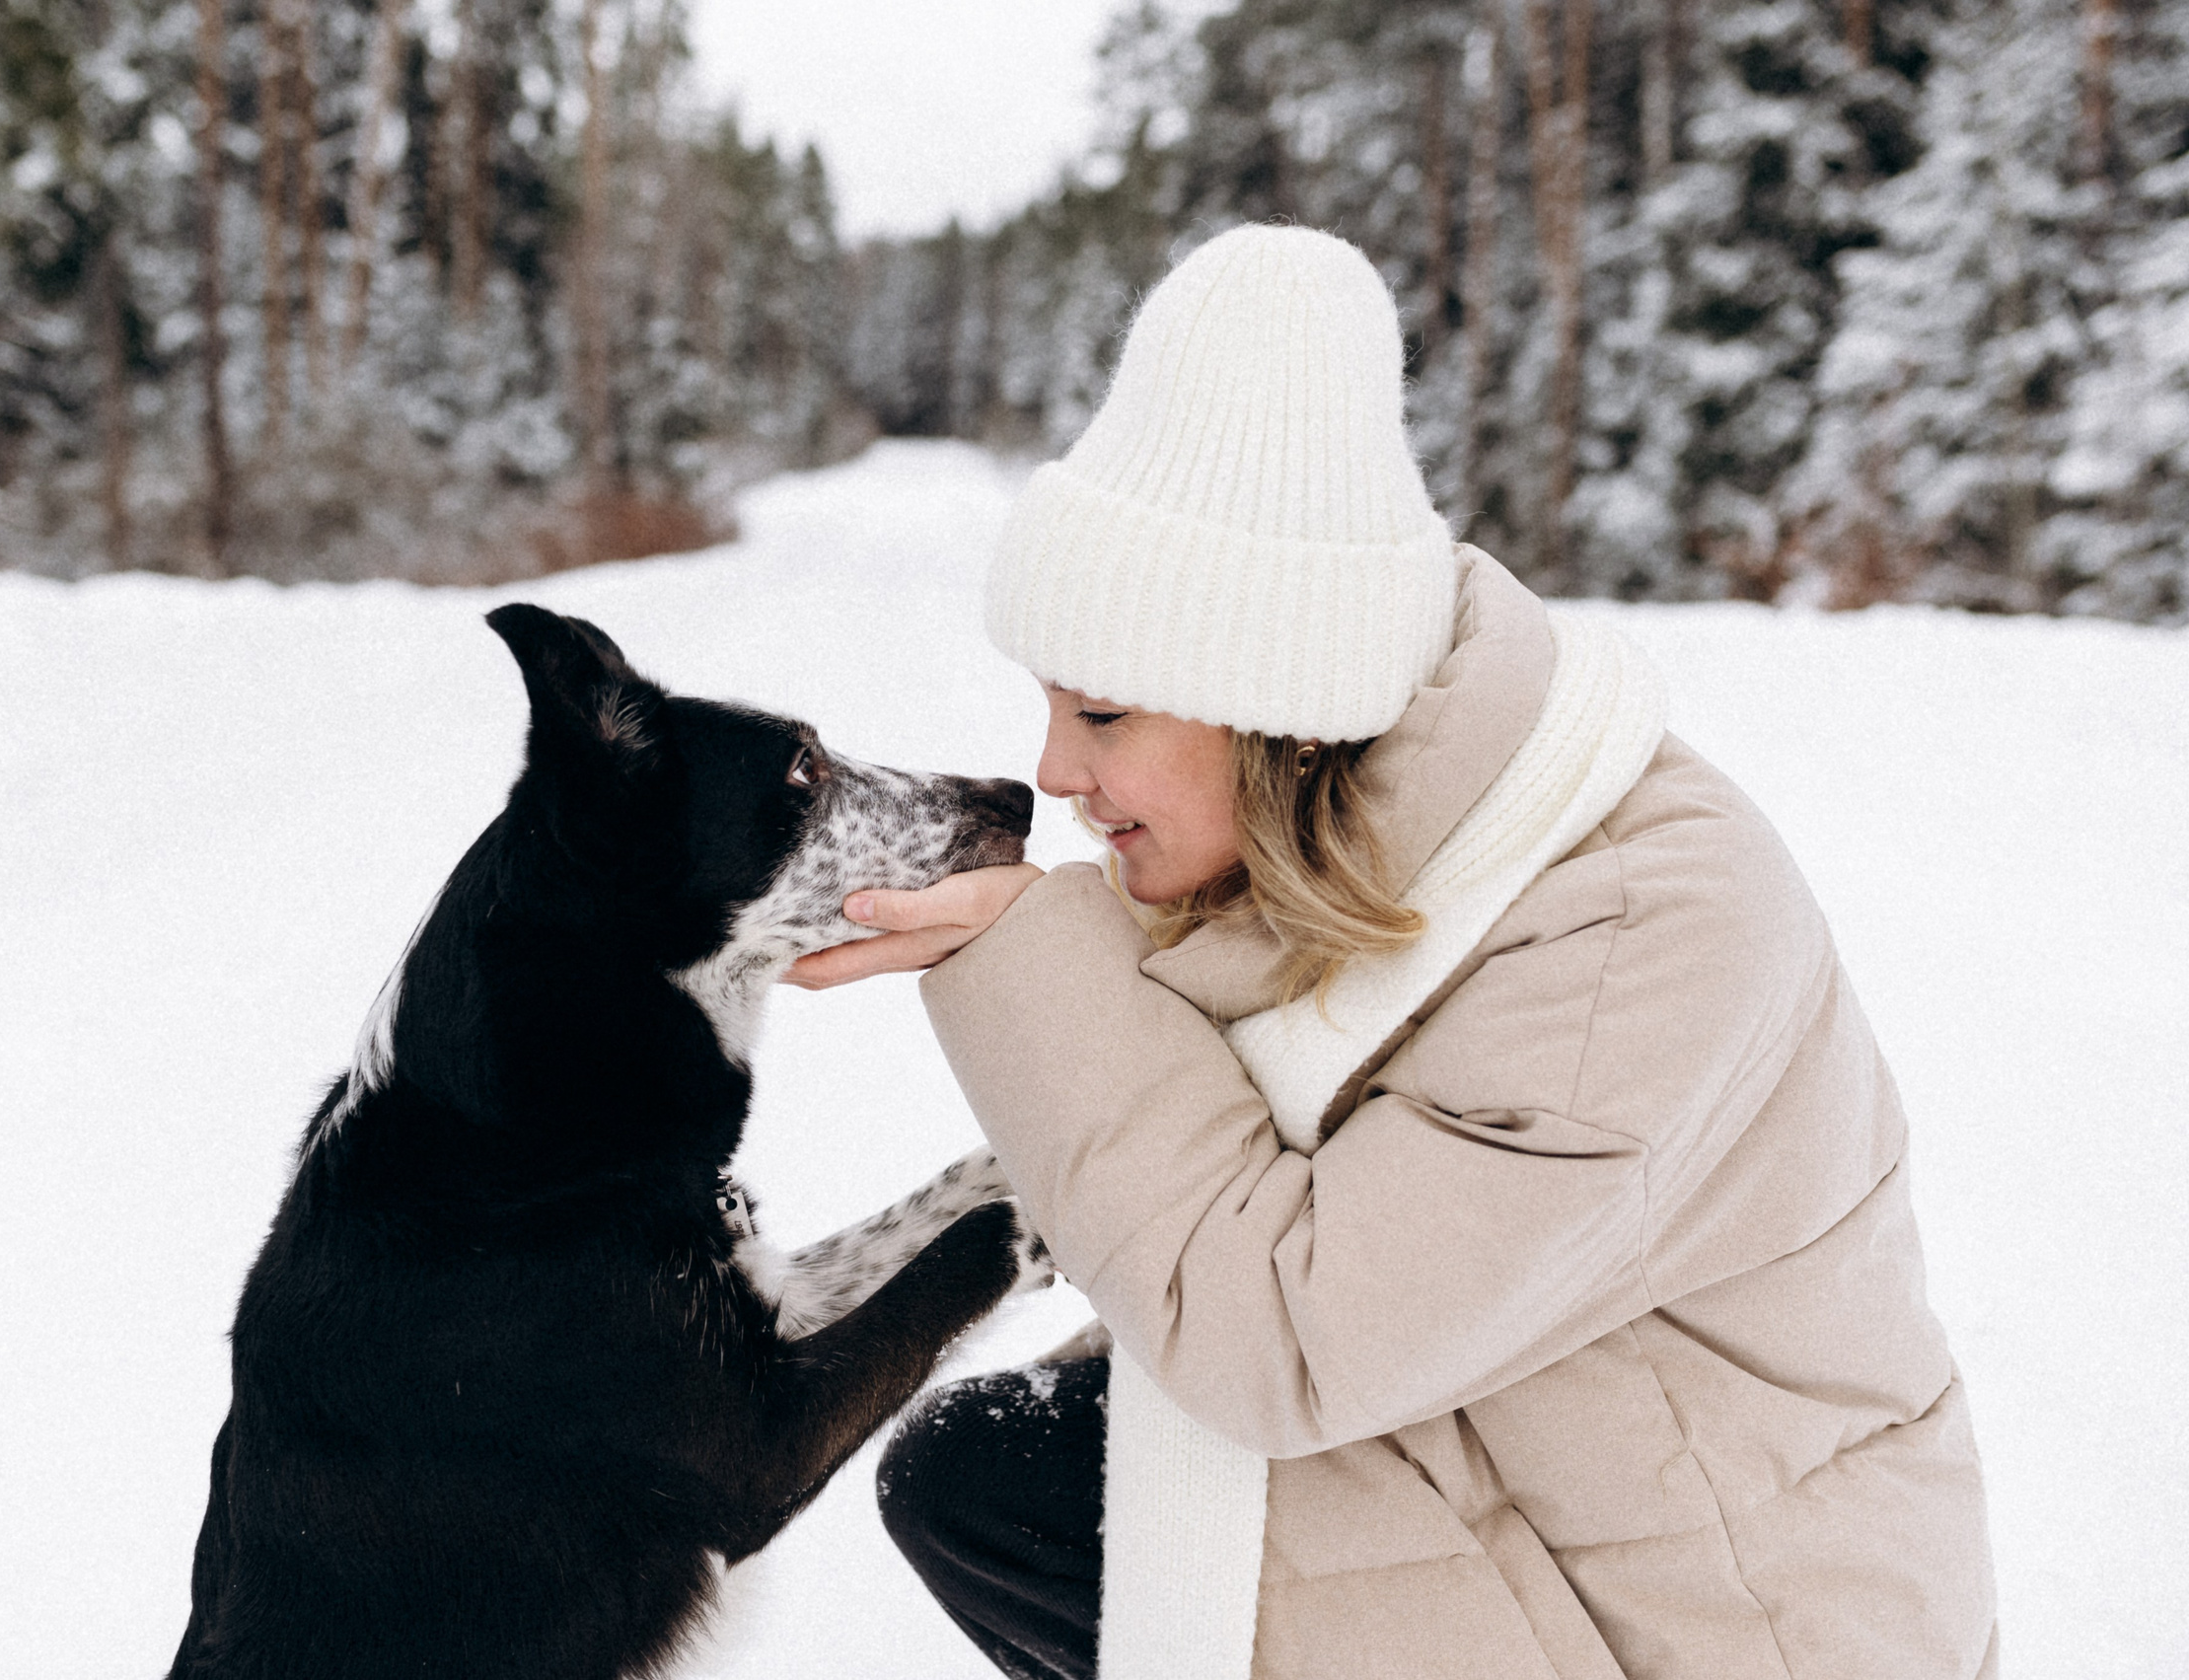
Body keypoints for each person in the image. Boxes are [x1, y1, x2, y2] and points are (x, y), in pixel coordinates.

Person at [784, 225, 1998, 1680]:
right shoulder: (1366, 825)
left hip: (1735, 1634)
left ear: (1277, 705)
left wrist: (1033, 953)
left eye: (1102, 715)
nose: (1051, 768)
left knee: (1027, 1490)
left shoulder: (1639, 929)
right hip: (1522, 1470)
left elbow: (1279, 1338)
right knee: (996, 1479)